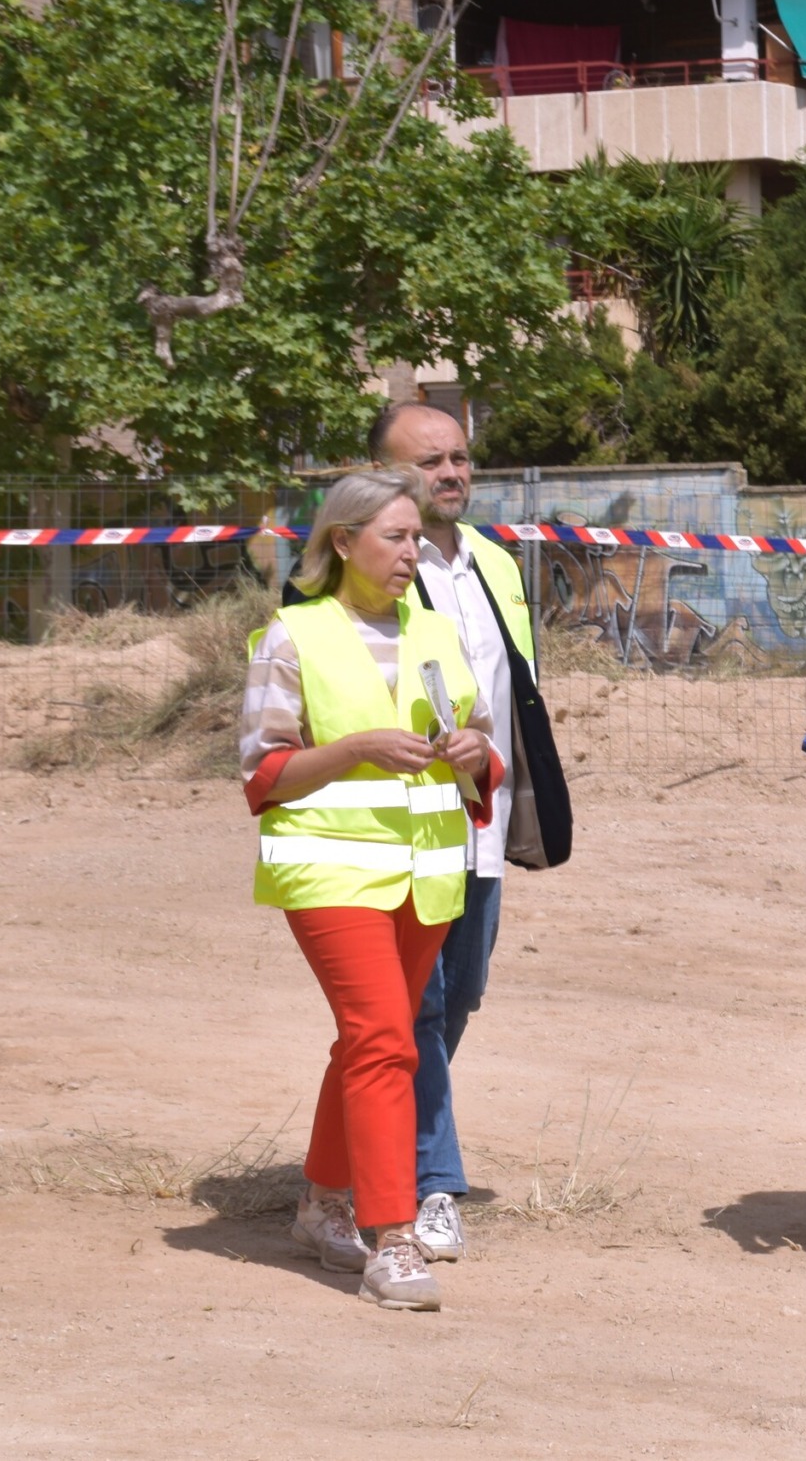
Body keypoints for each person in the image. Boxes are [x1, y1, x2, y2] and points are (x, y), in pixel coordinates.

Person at [238, 467, 502, 1311]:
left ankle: (320, 1205)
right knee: (387, 1038)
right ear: (343, 542)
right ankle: (392, 1238)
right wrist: (354, 749)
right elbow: (263, 773)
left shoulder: (436, 632)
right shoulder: (293, 634)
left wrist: (476, 753)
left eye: (417, 537)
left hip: (426, 874)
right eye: (395, 535)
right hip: (329, 870)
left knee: (366, 1041)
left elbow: (484, 748)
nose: (412, 551)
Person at [366, 401, 573, 1265]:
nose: (451, 473)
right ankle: (431, 1182)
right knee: (419, 1003)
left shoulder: (492, 559)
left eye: (459, 458)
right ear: (385, 475)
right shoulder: (368, 564)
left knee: (462, 993)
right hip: (403, 824)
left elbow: (509, 688)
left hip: (481, 819)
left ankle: (369, 1130)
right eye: (430, 462)